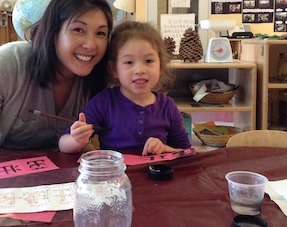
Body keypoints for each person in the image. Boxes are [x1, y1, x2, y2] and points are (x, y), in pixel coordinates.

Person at [0, 0, 113, 152]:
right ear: (53, 33)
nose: (91, 45)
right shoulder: (8, 63)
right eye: (78, 30)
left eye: (101, 33)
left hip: (62, 176)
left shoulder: (102, 76)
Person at [59, 21, 191, 156]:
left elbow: (186, 152)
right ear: (114, 69)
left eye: (149, 61)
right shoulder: (104, 102)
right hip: (115, 175)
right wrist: (76, 140)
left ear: (161, 67)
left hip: (156, 175)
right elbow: (63, 143)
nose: (140, 70)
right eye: (129, 62)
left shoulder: (167, 106)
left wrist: (165, 149)